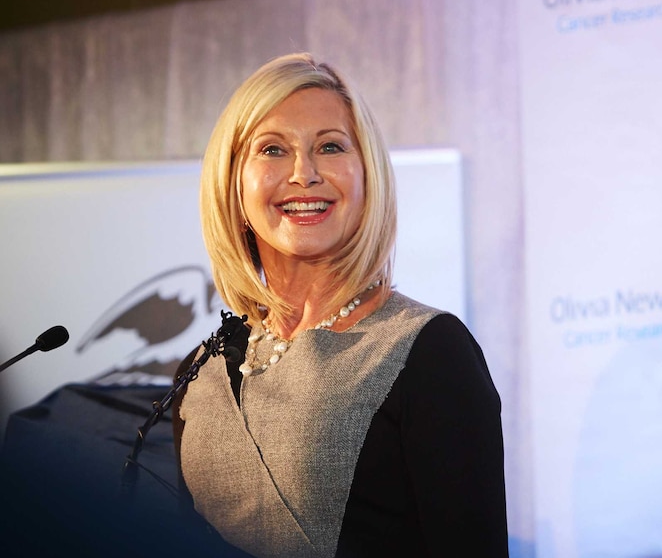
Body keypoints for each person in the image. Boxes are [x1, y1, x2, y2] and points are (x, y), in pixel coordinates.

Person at [172, 52, 508, 558]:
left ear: (366, 178)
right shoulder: (201, 371)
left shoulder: (432, 352)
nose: (304, 174)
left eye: (330, 146)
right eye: (272, 150)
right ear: (234, 189)